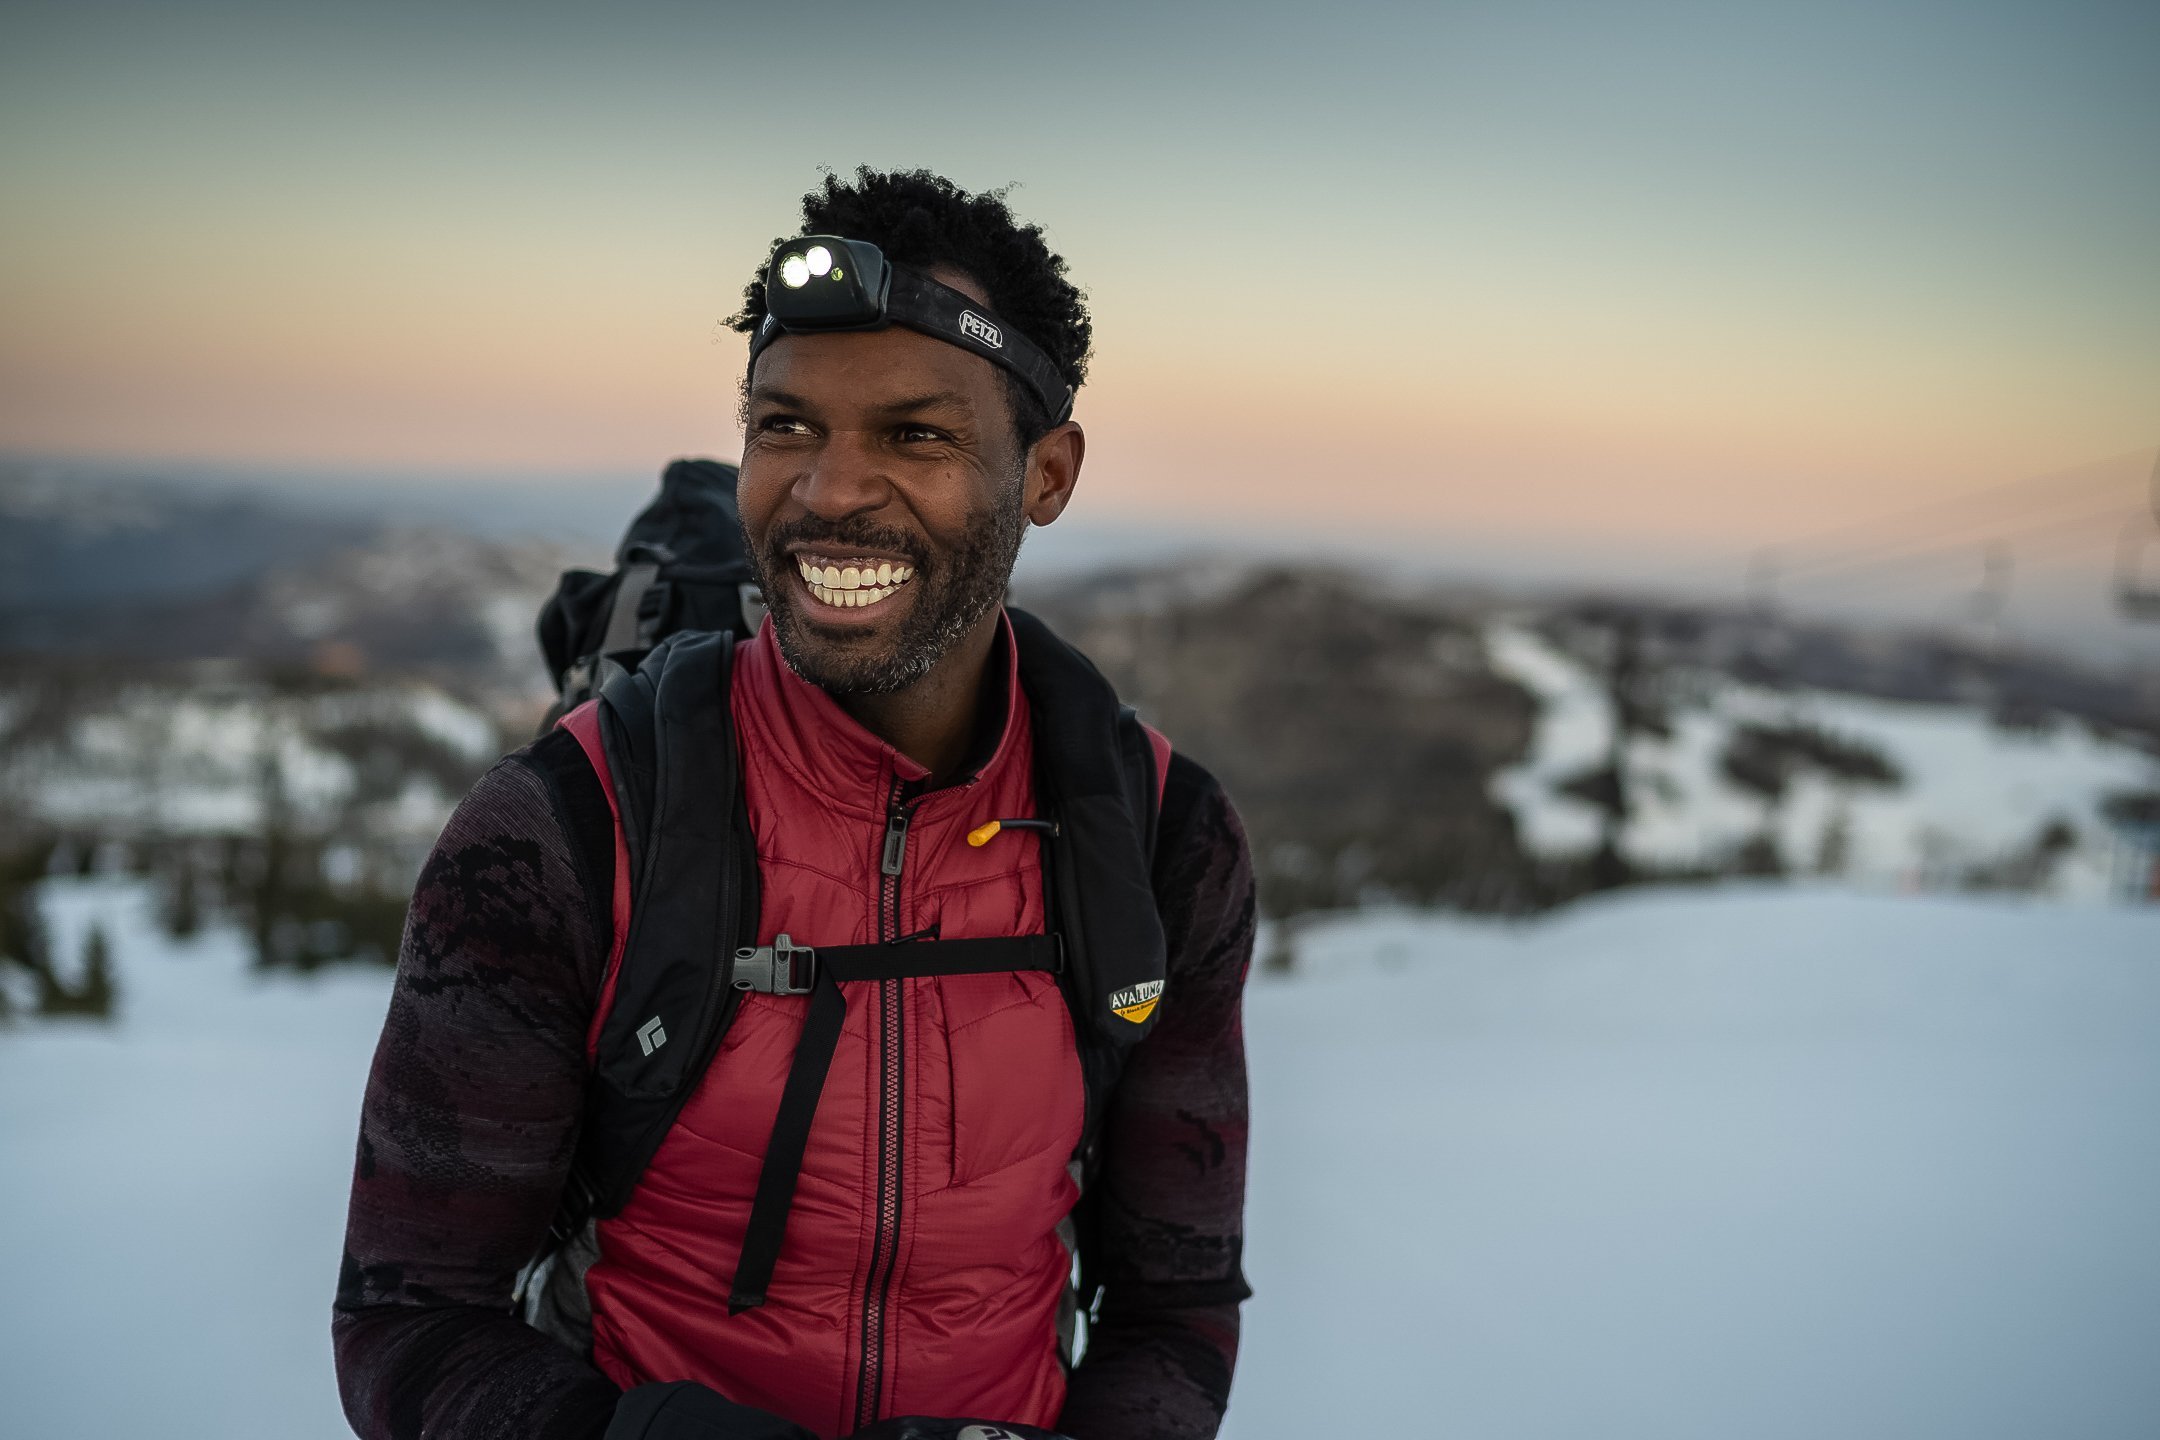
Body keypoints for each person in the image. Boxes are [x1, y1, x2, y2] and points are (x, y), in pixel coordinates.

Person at [332, 168, 1254, 1440]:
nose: (828, 490)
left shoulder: (1158, 837)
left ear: (1045, 473)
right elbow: (409, 1315)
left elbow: (1178, 1302)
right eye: (786, 426)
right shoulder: (567, 826)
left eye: (916, 434)